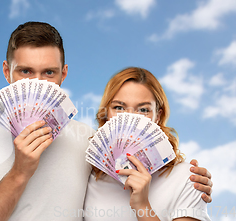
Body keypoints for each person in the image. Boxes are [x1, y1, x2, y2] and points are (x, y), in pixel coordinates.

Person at [0, 22, 213, 221]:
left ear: (64, 74)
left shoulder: (88, 142)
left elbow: (134, 164)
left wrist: (190, 180)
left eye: (49, 72)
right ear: (6, 72)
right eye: (25, 71)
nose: (37, 83)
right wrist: (19, 173)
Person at [83, 67, 211, 221]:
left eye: (143, 110)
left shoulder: (188, 179)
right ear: (106, 113)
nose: (129, 120)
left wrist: (143, 207)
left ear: (158, 116)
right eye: (119, 108)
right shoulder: (87, 175)